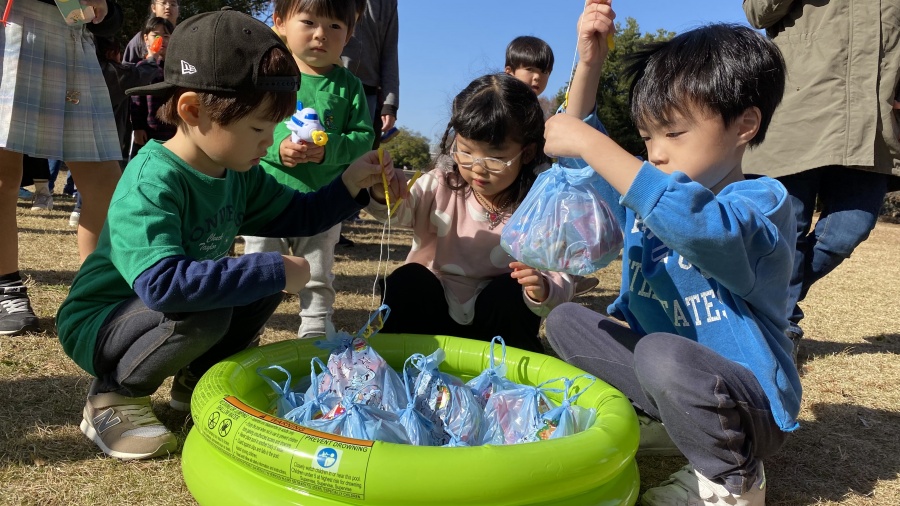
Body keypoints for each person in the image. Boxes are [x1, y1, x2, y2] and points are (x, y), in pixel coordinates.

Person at [56, 9, 405, 460]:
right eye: (258, 128)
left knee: (249, 288)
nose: (268, 142)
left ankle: (194, 379)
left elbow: (299, 214)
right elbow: (162, 286)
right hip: (102, 323)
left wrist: (351, 183)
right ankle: (112, 397)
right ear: (192, 110)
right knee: (218, 302)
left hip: (163, 312)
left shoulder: (237, 172)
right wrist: (271, 268)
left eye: (272, 128)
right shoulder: (153, 181)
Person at [542, 6, 801, 503]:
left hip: (749, 406)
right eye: (646, 138)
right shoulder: (646, 194)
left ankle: (733, 482)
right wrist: (589, 63)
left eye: (674, 133)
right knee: (567, 321)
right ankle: (667, 423)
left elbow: (701, 226)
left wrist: (595, 145)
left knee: (662, 353)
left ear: (745, 125)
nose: (655, 152)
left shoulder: (761, 204)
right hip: (668, 373)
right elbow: (580, 157)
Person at [368, 72, 574, 353]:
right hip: (432, 320)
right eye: (465, 151)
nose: (477, 168)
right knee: (408, 280)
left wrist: (543, 288)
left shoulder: (539, 205)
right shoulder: (441, 184)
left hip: (497, 332)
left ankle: (506, 369)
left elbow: (562, 274)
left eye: (495, 158)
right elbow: (398, 211)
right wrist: (384, 192)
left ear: (527, 153)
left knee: (512, 290)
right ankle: (398, 356)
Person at [742, 1, 900, 359]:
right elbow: (757, 12)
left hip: (872, 120)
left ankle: (759, 306)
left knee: (851, 228)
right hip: (797, 107)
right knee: (786, 231)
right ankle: (779, 329)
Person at [243, 0, 374, 339]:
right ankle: (245, 334)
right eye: (309, 22)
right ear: (280, 22)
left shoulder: (349, 85)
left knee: (317, 273)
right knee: (259, 270)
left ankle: (316, 331)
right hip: (266, 197)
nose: (321, 34)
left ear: (349, 34)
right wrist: (277, 147)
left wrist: (328, 148)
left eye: (334, 26)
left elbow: (363, 139)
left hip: (323, 201)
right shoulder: (269, 77)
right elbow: (248, 123)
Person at [1, 0, 124, 336]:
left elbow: (110, 17)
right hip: (10, 26)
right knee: (2, 176)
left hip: (73, 39)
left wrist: (104, 9)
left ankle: (97, 294)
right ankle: (5, 288)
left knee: (105, 182)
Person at [339, 0, 399, 244]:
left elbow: (390, 50)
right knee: (325, 151)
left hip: (369, 90)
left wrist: (390, 102)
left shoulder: (388, 3)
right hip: (331, 79)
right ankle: (322, 222)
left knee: (358, 157)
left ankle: (338, 224)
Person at [129, 17, 176, 150]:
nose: (161, 40)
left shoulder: (177, 67)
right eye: (155, 35)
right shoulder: (143, 67)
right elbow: (136, 101)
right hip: (150, 130)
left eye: (166, 36)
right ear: (146, 38)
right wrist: (137, 127)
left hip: (174, 129)